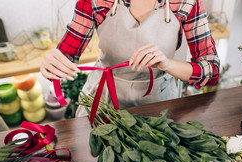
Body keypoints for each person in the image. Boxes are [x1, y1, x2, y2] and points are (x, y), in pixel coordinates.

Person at [41, 0, 220, 117]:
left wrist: (167, 63)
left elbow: (211, 69)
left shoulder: (185, 3)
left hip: (158, 104)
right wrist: (52, 65)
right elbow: (66, 57)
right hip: (103, 100)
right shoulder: (97, 1)